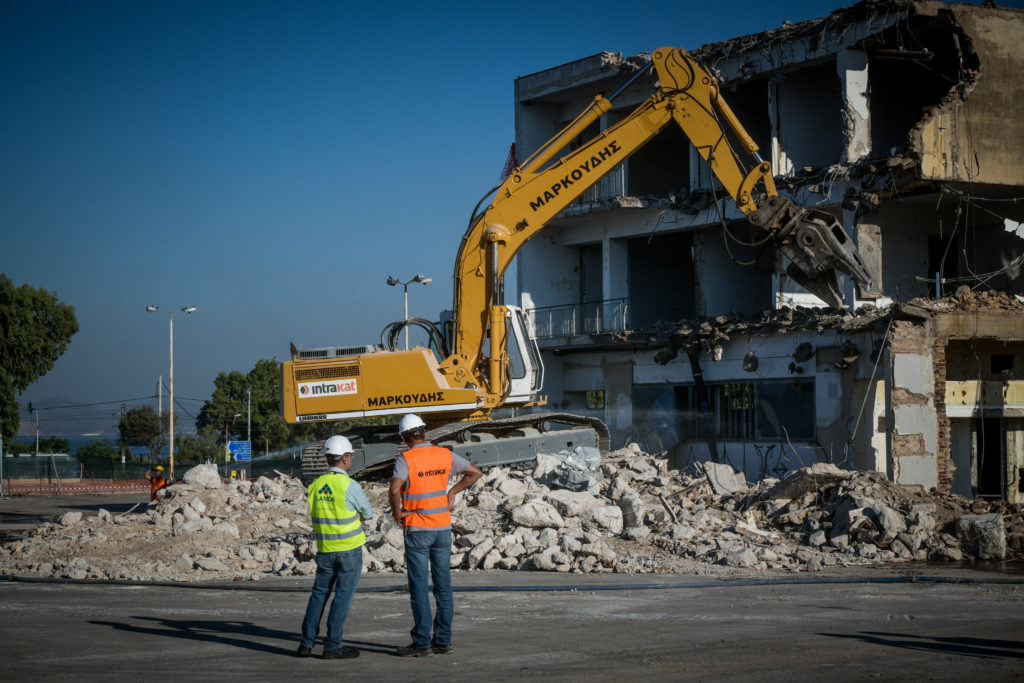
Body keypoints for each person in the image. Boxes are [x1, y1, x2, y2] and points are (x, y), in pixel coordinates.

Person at [389, 414, 482, 657]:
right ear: (425, 433)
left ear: (403, 437)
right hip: (442, 529)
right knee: (443, 586)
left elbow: (395, 489)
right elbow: (475, 473)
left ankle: (421, 643)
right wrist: (452, 492)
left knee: (419, 587)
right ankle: (442, 640)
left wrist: (397, 514)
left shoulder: (405, 458)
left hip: (418, 530)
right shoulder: (444, 454)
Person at [297, 435, 373, 659]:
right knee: (342, 596)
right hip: (349, 551)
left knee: (318, 595)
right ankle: (332, 645)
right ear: (346, 458)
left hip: (325, 551)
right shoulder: (350, 485)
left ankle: (306, 644)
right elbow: (367, 513)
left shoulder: (316, 485)